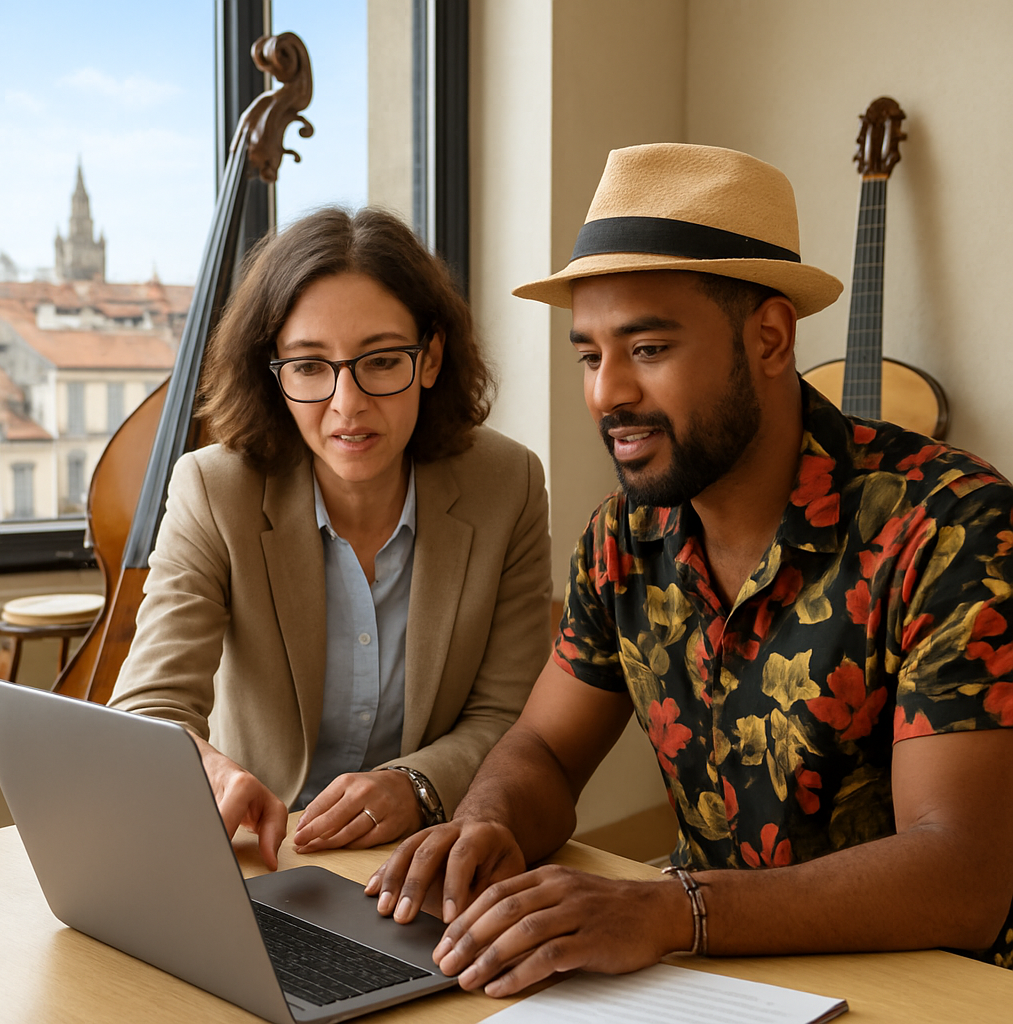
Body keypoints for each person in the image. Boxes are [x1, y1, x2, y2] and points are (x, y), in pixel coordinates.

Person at [367, 143, 1013, 992]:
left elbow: (962, 873)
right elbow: (546, 751)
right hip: (711, 986)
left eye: (649, 348)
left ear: (771, 339)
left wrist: (674, 910)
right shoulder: (621, 538)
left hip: (932, 990)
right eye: (590, 356)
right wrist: (487, 823)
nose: (606, 394)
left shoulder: (953, 524)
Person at [109, 207, 552, 871]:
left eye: (379, 361)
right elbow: (150, 709)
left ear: (429, 358)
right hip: (267, 858)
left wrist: (417, 786)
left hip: (431, 854)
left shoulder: (508, 481)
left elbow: (508, 715)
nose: (347, 403)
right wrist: (217, 777)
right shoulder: (212, 489)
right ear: (274, 372)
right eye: (310, 366)